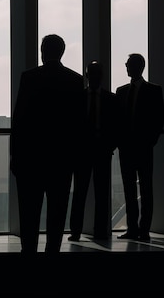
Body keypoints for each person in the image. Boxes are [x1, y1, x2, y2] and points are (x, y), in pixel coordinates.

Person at [10, 34, 85, 254]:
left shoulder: (29, 77)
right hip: (61, 159)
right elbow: (79, 124)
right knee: (57, 212)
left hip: (31, 159)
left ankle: (29, 251)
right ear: (62, 52)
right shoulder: (75, 80)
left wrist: (15, 156)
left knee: (29, 212)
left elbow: (20, 120)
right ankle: (52, 251)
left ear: (43, 50)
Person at [115, 53, 164, 241]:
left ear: (138, 67)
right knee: (134, 190)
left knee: (144, 189)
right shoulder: (122, 91)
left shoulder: (152, 90)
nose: (126, 67)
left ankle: (142, 229)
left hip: (141, 147)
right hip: (129, 148)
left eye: (128, 64)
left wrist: (150, 141)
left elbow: (159, 119)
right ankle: (135, 228)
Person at [68, 61, 118, 242]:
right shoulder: (110, 99)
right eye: (93, 74)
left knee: (83, 193)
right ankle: (98, 232)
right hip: (96, 152)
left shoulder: (78, 98)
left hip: (89, 152)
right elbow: (115, 127)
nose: (95, 77)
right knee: (98, 193)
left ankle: (77, 231)